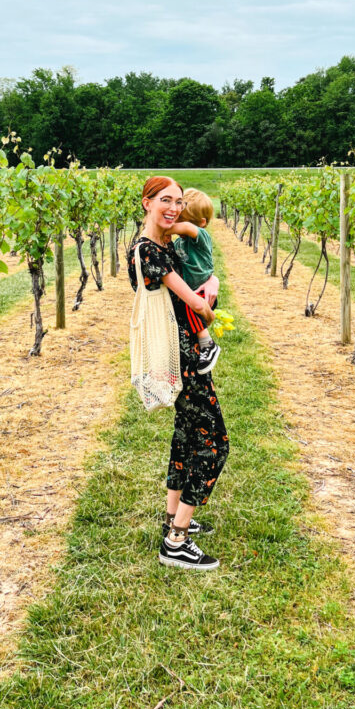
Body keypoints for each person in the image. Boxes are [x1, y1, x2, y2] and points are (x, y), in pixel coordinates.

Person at [128, 176, 230, 572]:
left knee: (187, 433)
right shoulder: (151, 250)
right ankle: (177, 540)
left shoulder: (158, 246)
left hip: (181, 353)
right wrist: (209, 299)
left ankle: (174, 517)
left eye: (178, 202)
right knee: (214, 442)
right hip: (183, 356)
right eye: (164, 201)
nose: (172, 208)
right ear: (147, 203)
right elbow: (198, 305)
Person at [169, 187, 221, 374]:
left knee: (191, 305)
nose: (178, 224)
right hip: (191, 290)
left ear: (202, 223)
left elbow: (189, 228)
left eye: (182, 220)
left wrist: (165, 226)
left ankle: (208, 344)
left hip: (201, 291)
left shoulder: (201, 237)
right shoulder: (179, 243)